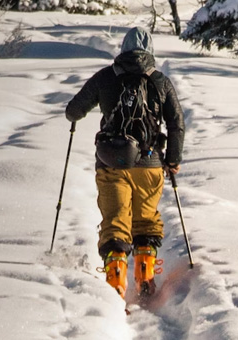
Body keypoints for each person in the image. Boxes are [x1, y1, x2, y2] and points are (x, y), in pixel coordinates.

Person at [65, 27, 184, 299]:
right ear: (150, 51)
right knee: (146, 222)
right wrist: (173, 160)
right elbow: (177, 122)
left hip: (110, 163)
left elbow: (73, 110)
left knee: (115, 224)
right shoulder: (160, 81)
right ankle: (145, 277)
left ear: (123, 49)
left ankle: (116, 287)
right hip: (150, 164)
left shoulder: (106, 77)